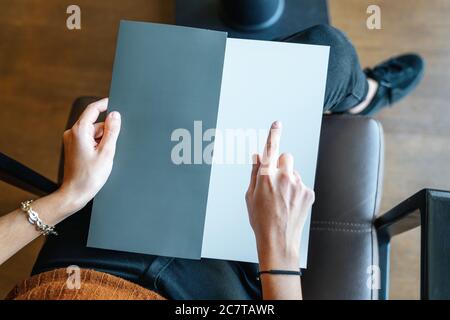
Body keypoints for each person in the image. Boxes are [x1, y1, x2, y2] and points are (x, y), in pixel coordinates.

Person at [1, 24, 424, 300]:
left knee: (190, 83)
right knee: (326, 50)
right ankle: (366, 95)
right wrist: (278, 249)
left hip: (80, 268)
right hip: (204, 299)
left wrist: (68, 196)